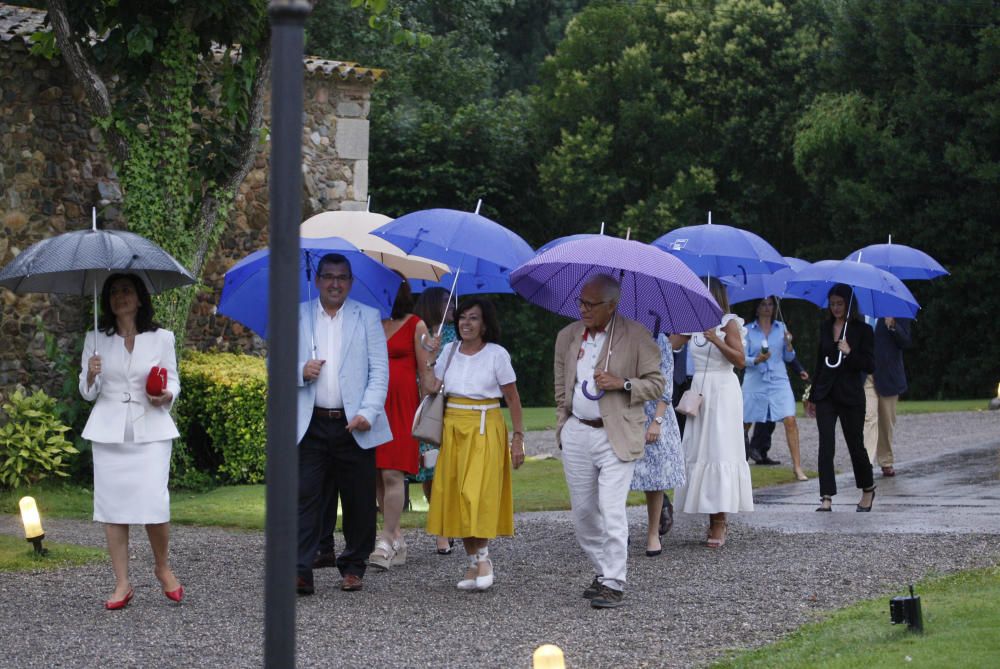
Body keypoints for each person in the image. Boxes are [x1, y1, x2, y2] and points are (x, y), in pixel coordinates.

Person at [554, 274, 665, 609]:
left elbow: (657, 384)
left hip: (616, 432)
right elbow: (561, 387)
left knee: (612, 508)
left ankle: (614, 582)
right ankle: (604, 571)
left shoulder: (637, 335)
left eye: (592, 304)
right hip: (577, 430)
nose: (584, 309)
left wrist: (623, 384)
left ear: (612, 305)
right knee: (584, 513)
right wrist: (563, 425)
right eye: (581, 302)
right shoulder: (568, 336)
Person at [79, 273, 183, 610]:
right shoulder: (95, 338)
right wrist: (91, 374)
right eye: (113, 292)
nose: (119, 297)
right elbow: (88, 392)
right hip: (109, 431)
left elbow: (173, 381)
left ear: (139, 298)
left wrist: (166, 395)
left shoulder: (161, 338)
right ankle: (122, 582)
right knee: (113, 509)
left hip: (151, 430)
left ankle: (162, 566)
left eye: (126, 291)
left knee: (155, 503)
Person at [295, 253, 391, 595]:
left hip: (355, 424)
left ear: (350, 283)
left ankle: (353, 566)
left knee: (359, 500)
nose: (335, 283)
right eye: (329, 276)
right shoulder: (298, 315)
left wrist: (368, 411)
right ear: (318, 279)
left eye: (342, 277)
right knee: (305, 497)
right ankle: (301, 569)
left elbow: (379, 371)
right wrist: (300, 371)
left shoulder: (367, 317)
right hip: (311, 423)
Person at [425, 297, 525, 592]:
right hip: (453, 427)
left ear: (485, 324)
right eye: (462, 317)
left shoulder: (497, 354)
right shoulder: (449, 350)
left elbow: (513, 397)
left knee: (475, 495)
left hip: (484, 426)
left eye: (473, 318)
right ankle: (472, 562)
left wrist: (518, 437)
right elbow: (431, 388)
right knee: (457, 495)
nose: (466, 324)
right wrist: (430, 359)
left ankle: (483, 558)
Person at [671, 277, 753, 549]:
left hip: (722, 390)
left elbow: (740, 360)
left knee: (719, 450)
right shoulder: (692, 320)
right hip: (699, 391)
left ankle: (719, 520)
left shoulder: (728, 322)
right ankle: (707, 510)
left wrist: (716, 339)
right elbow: (671, 344)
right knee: (699, 450)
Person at [368, 274, 434, 570]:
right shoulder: (370, 322)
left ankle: (384, 540)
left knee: (393, 474)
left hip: (403, 408)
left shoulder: (415, 324)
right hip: (373, 406)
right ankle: (397, 538)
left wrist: (433, 355)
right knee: (377, 476)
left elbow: (426, 376)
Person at [804, 284, 876, 512]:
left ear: (848, 304)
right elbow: (819, 362)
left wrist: (849, 352)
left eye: (840, 303)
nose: (835, 308)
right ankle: (826, 496)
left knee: (855, 444)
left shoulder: (863, 330)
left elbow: (869, 364)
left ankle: (867, 488)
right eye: (832, 303)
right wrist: (812, 395)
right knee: (826, 444)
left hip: (851, 395)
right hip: (826, 394)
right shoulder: (825, 327)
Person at [630, 332, 686, 556]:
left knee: (654, 477)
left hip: (654, 412)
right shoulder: (616, 336)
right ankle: (618, 530)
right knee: (616, 472)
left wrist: (657, 421)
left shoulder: (659, 339)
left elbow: (665, 385)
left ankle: (653, 533)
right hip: (624, 410)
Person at [741, 296, 809, 481]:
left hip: (779, 380)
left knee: (790, 419)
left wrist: (788, 344)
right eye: (763, 304)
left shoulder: (781, 328)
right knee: (744, 423)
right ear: (756, 308)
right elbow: (741, 359)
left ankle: (797, 467)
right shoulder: (747, 330)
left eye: (770, 304)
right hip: (755, 380)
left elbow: (788, 357)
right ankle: (738, 465)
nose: (767, 308)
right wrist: (756, 360)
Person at [411, 286, 457, 554]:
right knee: (429, 469)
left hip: (452, 403)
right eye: (445, 302)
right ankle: (438, 520)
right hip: (425, 405)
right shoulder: (421, 333)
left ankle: (444, 528)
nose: (451, 306)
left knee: (445, 469)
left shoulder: (458, 334)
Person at [867, 317, 911, 477]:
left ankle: (886, 460)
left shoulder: (896, 312)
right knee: (868, 418)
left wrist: (893, 326)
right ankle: (865, 462)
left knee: (886, 421)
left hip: (888, 374)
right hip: (865, 373)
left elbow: (905, 341)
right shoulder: (857, 309)